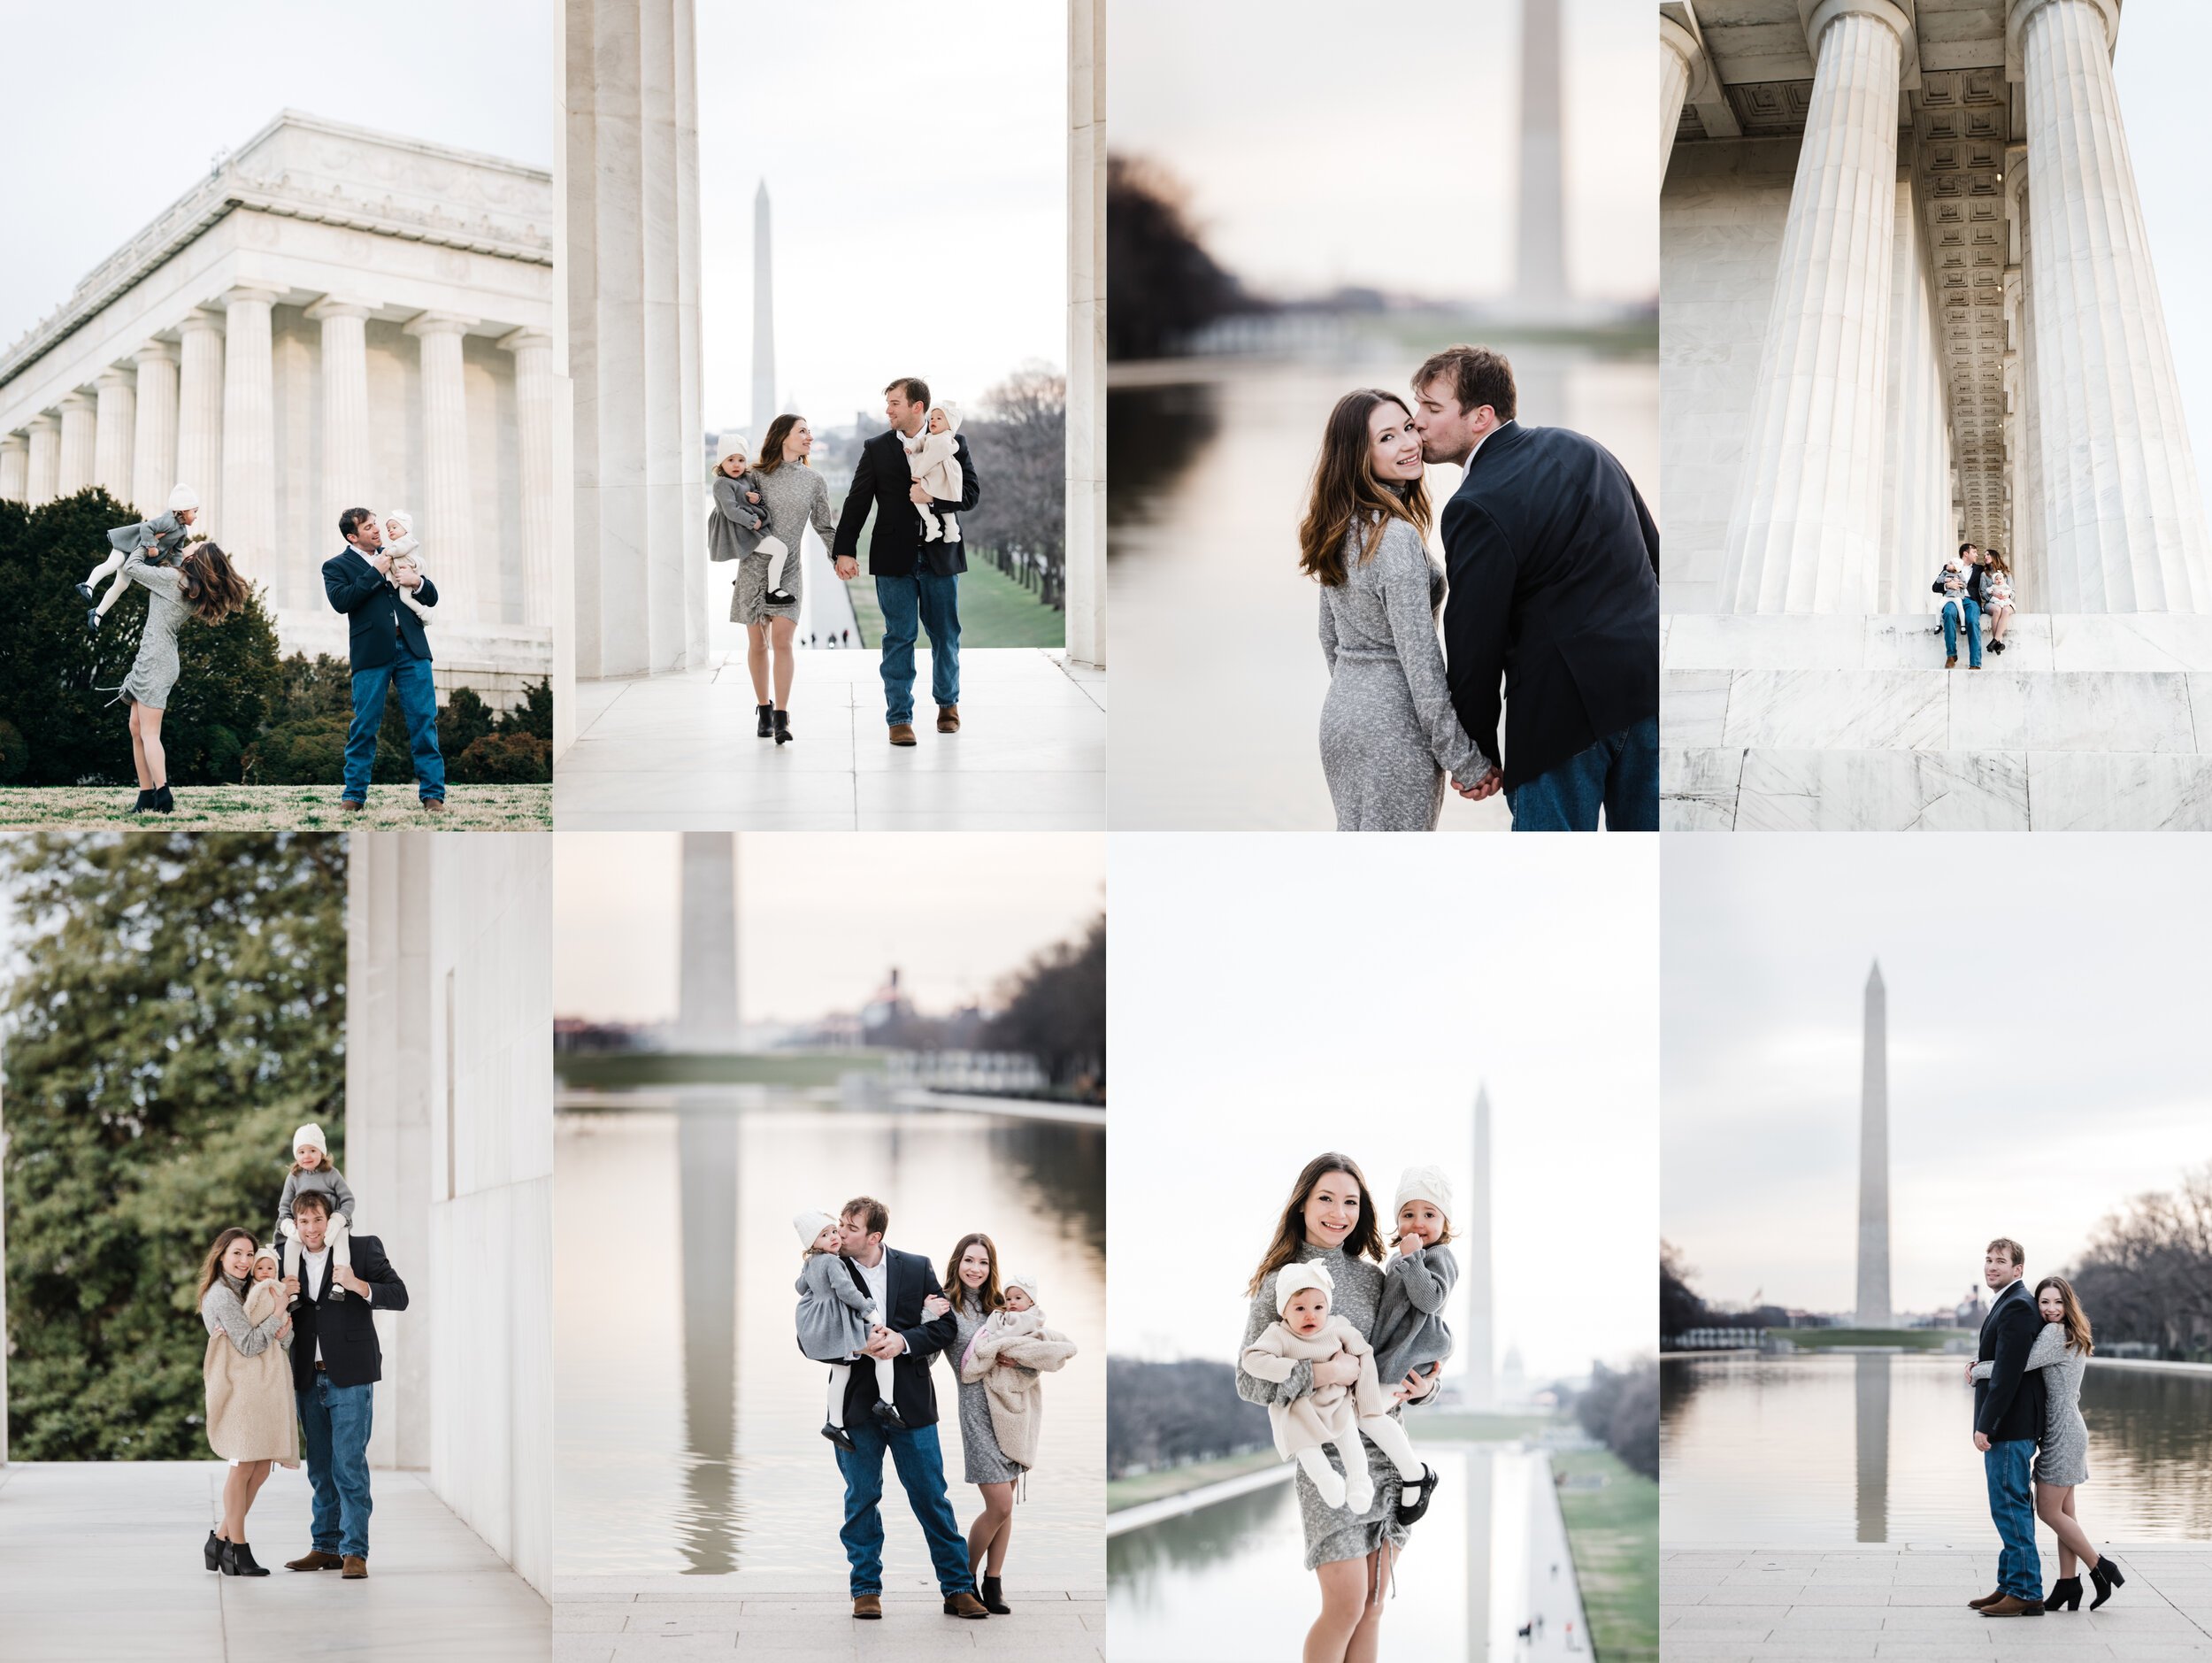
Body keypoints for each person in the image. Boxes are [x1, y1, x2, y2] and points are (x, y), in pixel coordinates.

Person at [1411, 344, 1661, 831]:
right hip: (1650, 691)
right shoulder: (1586, 448)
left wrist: (1478, 751)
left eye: (1432, 408)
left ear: (1481, 416)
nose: (1417, 421)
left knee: (1550, 882)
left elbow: (1473, 643)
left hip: (1562, 720)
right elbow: (1655, 558)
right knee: (1651, 872)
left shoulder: (1474, 504)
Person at [1236, 1155, 1444, 1663]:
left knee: (1373, 1606)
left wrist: (1425, 1389)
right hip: (1325, 1451)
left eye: (1350, 1202)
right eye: (1325, 1199)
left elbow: (1402, 1353)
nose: (1338, 1212)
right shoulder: (1279, 1282)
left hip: (1386, 1450)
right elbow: (1248, 1379)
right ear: (1303, 1205)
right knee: (1345, 1604)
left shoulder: (1376, 1278)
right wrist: (1321, 1374)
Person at [1301, 389, 1491, 830]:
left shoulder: (1339, 529)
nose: (1409, 443)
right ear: (1356, 456)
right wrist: (1463, 760)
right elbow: (1421, 662)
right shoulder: (1396, 539)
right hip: (1394, 727)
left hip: (1343, 717)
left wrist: (1360, 698)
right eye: (1386, 438)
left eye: (1408, 428)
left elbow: (1329, 636)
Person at [826, 1197, 989, 1622]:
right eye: (840, 1224)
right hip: (855, 1407)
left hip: (912, 1405)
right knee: (861, 1498)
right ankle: (865, 1589)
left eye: (850, 1227)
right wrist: (854, 1346)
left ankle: (957, 1588)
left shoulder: (917, 1267)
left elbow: (944, 1326)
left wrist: (902, 1342)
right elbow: (809, 1335)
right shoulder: (828, 1268)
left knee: (931, 1497)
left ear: (874, 1236)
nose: (839, 1233)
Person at [832, 377, 981, 746]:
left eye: (895, 403)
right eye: (888, 404)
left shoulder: (953, 442)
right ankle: (899, 718)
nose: (888, 410)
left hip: (940, 557)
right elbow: (857, 501)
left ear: (918, 406)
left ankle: (948, 704)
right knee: (899, 637)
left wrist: (932, 497)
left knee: (946, 635)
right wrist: (844, 550)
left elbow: (971, 494)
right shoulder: (876, 448)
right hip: (892, 558)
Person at [1970, 1274, 2125, 1612]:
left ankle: (2101, 1566)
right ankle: (2068, 1584)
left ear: (2068, 1305)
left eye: (2057, 1302)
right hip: (2066, 1428)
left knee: (2048, 1511)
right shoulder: (2069, 1331)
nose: (2051, 1309)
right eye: (2044, 1302)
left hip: (2062, 1432)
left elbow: (2017, 1366)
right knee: (2066, 1513)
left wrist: (1976, 1369)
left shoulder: (2056, 1333)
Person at [280, 1189, 409, 1579]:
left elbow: (399, 1295)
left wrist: (357, 1285)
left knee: (348, 1465)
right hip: (307, 1374)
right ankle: (326, 1547)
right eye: (304, 1222)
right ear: (295, 1224)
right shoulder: (284, 1256)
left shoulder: (363, 1249)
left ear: (332, 1219)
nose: (312, 1229)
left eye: (318, 1220)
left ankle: (355, 1551)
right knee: (319, 1467)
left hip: (351, 1375)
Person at [941, 1259, 1076, 1614]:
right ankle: (960, 1584)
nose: (976, 1268)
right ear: (958, 1264)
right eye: (969, 1260)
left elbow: (1037, 1350)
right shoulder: (945, 1307)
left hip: (1013, 1411)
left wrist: (1022, 1362)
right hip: (975, 1412)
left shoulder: (999, 1307)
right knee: (999, 1504)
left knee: (1006, 1506)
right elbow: (927, 1355)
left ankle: (994, 1581)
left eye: (983, 1262)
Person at [1241, 1262, 1420, 1512]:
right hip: (1297, 1406)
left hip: (1335, 1398)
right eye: (1300, 1308)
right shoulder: (1278, 1334)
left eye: (1318, 1307)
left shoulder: (1337, 1327)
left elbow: (1364, 1354)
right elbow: (1252, 1360)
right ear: (1284, 1311)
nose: (1310, 1315)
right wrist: (1294, 1369)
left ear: (1328, 1306)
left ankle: (1359, 1483)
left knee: (1349, 1437)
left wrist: (1368, 1400)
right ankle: (1327, 1481)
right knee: (1304, 1446)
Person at [110, 541, 250, 815]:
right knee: (136, 729)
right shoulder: (184, 583)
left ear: (195, 557)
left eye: (194, 545)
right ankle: (145, 796)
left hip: (156, 660)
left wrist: (144, 542)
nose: (190, 542)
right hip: (154, 656)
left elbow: (132, 567)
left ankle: (163, 794)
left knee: (149, 733)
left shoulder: (174, 580)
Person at [322, 506, 444, 812]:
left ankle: (433, 796)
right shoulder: (336, 566)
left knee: (424, 721)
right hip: (371, 653)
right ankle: (353, 797)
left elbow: (431, 597)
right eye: (368, 528)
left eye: (376, 524)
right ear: (352, 536)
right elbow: (342, 601)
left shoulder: (399, 552)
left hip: (413, 648)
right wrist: (375, 571)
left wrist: (417, 582)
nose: (377, 531)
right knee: (364, 725)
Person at [198, 1228, 296, 1577]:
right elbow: (251, 1344)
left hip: (259, 1389)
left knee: (259, 1466)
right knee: (242, 1468)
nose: (245, 1261)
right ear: (221, 1256)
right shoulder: (222, 1295)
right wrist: (279, 1312)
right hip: (239, 1391)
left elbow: (278, 1343)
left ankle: (220, 1539)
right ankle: (238, 1549)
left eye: (250, 1254)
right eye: (237, 1254)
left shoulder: (250, 1291)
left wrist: (282, 1326)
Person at [739, 415, 841, 745]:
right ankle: (763, 709)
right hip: (754, 567)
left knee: (782, 642)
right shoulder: (753, 476)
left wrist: (839, 558)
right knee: (758, 644)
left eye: (810, 431)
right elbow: (731, 509)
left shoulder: (813, 480)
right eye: (803, 431)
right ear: (783, 436)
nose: (809, 436)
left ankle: (782, 716)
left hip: (790, 570)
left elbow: (825, 527)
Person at [1967, 1237, 2050, 1618]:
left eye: (2000, 1261)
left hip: (2010, 1425)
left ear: (2018, 1270)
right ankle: (2009, 1584)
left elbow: (2008, 1375)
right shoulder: (2008, 1302)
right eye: (1988, 1260)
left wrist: (1987, 1425)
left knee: (2010, 1505)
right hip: (2012, 1423)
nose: (1991, 1266)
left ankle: (2027, 1590)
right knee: (2009, 1504)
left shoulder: (2017, 1306)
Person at [1366, 1166, 1455, 1519]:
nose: (1418, 1222)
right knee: (1366, 1412)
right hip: (1392, 1355)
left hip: (1412, 1356)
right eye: (1408, 1214)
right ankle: (1412, 1473)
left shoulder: (1439, 1257)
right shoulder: (1399, 1259)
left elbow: (1429, 1300)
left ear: (1445, 1224)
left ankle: (1416, 1476)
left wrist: (1413, 1258)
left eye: (1429, 1214)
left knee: (1368, 1412)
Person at [792, 1207, 891, 1450]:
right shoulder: (833, 1263)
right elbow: (847, 1291)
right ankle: (886, 1402)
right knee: (881, 1352)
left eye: (834, 1231)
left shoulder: (812, 1262)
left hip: (819, 1320)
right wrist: (869, 1310)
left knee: (841, 1373)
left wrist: (816, 1284)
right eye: (825, 1235)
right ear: (813, 1242)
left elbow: (800, 1287)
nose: (835, 1237)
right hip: (837, 1321)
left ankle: (834, 1423)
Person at [79, 484, 200, 630]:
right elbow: (146, 528)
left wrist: (176, 570)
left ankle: (97, 613)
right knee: (111, 564)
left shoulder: (182, 532)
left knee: (121, 585)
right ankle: (88, 585)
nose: (196, 516)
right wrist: (151, 546)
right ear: (183, 511)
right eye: (194, 511)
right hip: (129, 546)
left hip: (137, 558)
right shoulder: (167, 521)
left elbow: (177, 552)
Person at [275, 1123, 356, 1286]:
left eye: (313, 1150)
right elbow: (284, 1206)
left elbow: (348, 1199)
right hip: (304, 1226)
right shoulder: (294, 1177)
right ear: (296, 1154)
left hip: (332, 1223)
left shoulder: (331, 1174)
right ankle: (292, 1288)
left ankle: (340, 1283)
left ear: (321, 1152)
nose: (307, 1156)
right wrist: (287, 1225)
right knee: (291, 1246)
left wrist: (338, 1219)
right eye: (302, 1151)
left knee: (341, 1241)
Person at [904, 404, 964, 543]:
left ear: (950, 425)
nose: (934, 421)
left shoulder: (942, 440)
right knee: (920, 498)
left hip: (939, 475)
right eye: (932, 418)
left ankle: (940, 526)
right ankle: (945, 529)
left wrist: (918, 474)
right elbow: (921, 442)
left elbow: (930, 459)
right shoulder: (932, 436)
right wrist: (911, 448)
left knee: (941, 502)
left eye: (939, 418)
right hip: (934, 475)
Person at [1934, 543, 1985, 670]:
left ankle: (1975, 663)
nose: (1977, 555)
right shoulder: (1950, 567)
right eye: (1974, 552)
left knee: (1973, 621)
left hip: (1970, 600)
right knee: (1948, 613)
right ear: (1965, 553)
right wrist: (1947, 586)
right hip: (1953, 598)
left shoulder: (1980, 569)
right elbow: (1935, 587)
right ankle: (1951, 655)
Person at [380, 512, 434, 624]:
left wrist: (387, 552)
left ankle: (425, 614)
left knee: (405, 598)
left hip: (408, 574)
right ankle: (424, 616)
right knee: (406, 598)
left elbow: (399, 550)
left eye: (394, 527)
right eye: (388, 529)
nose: (390, 530)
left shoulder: (406, 540)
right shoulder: (399, 542)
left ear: (405, 529)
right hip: (402, 576)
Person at [1982, 550, 2016, 654]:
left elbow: (2013, 591)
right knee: (1997, 610)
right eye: (1984, 555)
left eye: (1987, 554)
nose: (1985, 557)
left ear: (1994, 556)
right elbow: (1983, 592)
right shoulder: (1984, 574)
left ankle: (1995, 641)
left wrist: (2006, 595)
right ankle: (1997, 643)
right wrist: (1993, 594)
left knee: (2005, 610)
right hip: (1992, 603)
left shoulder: (2006, 573)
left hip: (2006, 601)